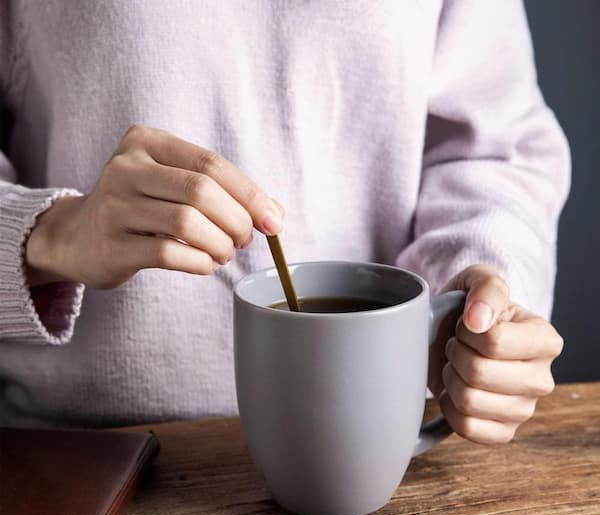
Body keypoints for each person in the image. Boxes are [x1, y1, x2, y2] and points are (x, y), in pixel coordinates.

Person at [0, 1, 567, 443]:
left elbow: (492, 150)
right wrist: (50, 232)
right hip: (77, 460)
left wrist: (479, 301)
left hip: (383, 446)